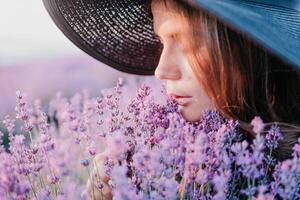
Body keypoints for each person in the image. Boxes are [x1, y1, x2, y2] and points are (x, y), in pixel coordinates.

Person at [43, 0, 300, 199]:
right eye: (162, 41)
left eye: (187, 41)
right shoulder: (173, 157)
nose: (161, 70)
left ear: (251, 46)